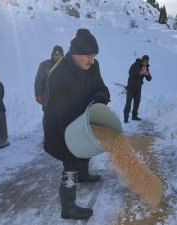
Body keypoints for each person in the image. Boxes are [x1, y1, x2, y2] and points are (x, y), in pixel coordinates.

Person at [43, 29, 110, 220]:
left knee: (86, 147)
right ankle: (68, 207)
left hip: (83, 116)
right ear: (74, 54)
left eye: (94, 56)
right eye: (88, 56)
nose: (92, 60)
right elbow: (60, 111)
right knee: (71, 160)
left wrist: (97, 100)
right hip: (62, 123)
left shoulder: (93, 66)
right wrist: (79, 131)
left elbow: (101, 88)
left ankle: (84, 174)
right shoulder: (58, 74)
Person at [123, 55, 152, 123]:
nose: (144, 62)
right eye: (143, 61)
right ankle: (125, 118)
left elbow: (149, 79)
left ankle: (134, 116)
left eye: (146, 62)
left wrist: (147, 74)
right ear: (142, 60)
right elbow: (130, 73)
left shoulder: (146, 68)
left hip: (138, 88)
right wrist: (139, 73)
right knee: (128, 103)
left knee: (137, 103)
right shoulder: (135, 65)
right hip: (131, 87)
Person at [34, 45, 64, 110]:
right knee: (48, 119)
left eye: (60, 55)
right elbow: (38, 80)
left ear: (62, 56)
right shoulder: (44, 65)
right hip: (48, 100)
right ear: (52, 55)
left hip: (63, 101)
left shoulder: (66, 66)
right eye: (56, 55)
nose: (58, 57)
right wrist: (38, 94)